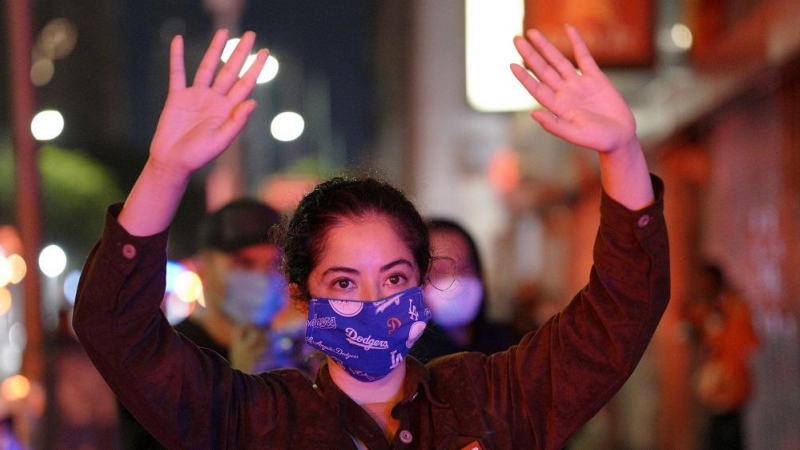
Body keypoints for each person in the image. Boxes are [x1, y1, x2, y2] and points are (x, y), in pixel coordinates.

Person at [73, 25, 669, 449]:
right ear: (302, 296)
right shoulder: (253, 421)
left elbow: (621, 311)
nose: (373, 303)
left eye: (393, 279)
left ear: (420, 286)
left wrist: (621, 153)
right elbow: (114, 327)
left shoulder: (488, 400)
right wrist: (166, 171)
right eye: (343, 281)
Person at [116, 197, 313, 449]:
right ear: (204, 267)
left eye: (274, 264)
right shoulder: (160, 359)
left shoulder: (296, 358)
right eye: (244, 263)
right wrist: (240, 388)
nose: (262, 277)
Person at [410, 218, 518, 363]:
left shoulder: (510, 349)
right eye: (440, 270)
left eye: (465, 268)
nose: (456, 280)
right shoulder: (409, 363)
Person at [683, 263, 758, 450]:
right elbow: (688, 331)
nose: (704, 289)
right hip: (713, 390)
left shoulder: (733, 304)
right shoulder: (702, 306)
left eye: (708, 284)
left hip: (732, 387)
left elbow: (749, 341)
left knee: (731, 435)